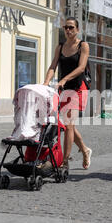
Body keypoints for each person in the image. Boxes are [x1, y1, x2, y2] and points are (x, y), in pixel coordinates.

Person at [43, 17, 92, 170]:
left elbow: (81, 68)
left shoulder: (83, 45)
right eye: (66, 28)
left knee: (69, 125)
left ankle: (64, 161)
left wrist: (64, 79)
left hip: (78, 87)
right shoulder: (60, 47)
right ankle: (85, 150)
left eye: (71, 27)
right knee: (65, 124)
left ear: (77, 29)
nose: (68, 30)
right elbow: (53, 66)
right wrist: (45, 83)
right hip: (64, 88)